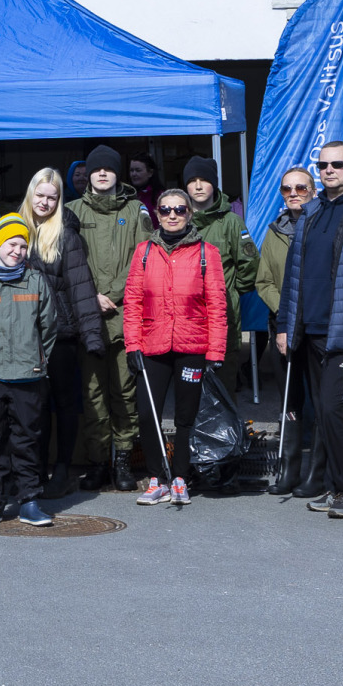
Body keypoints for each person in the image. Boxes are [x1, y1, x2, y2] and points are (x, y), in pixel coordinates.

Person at [275, 141, 343, 518]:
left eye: (337, 164)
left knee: (336, 412)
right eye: (323, 165)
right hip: (309, 328)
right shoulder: (312, 211)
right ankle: (335, 486)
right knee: (323, 412)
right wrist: (285, 325)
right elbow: (293, 276)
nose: (329, 170)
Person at [122, 188, 229, 507]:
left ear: (189, 214)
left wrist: (215, 351)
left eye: (179, 210)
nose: (172, 215)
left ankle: (181, 477)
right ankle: (157, 479)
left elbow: (217, 305)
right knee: (147, 414)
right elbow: (132, 302)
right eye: (166, 209)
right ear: (156, 213)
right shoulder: (143, 251)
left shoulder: (206, 252)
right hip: (152, 344)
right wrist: (132, 345)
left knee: (186, 415)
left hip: (192, 346)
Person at [0, 214, 57, 528]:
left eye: (22, 245)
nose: (17, 250)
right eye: (11, 244)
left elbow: (48, 327)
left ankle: (29, 500)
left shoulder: (35, 281)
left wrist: (38, 359)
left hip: (28, 375)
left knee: (27, 439)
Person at [65, 144, 149, 493]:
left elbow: (143, 258)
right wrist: (91, 295)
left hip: (126, 313)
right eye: (96, 169)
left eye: (109, 169)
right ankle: (99, 461)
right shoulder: (70, 211)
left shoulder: (135, 210)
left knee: (124, 391)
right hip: (87, 314)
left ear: (118, 174)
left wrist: (112, 294)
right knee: (93, 392)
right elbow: (66, 262)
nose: (101, 174)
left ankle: (124, 460)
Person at [19, 168, 105, 499]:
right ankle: (34, 469)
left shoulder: (66, 236)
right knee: (32, 406)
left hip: (61, 334)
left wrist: (92, 335)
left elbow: (81, 287)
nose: (44, 202)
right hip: (23, 335)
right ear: (30, 195)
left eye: (51, 197)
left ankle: (62, 470)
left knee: (66, 404)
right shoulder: (14, 229)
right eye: (39, 195)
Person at [181, 155, 259, 392]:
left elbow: (250, 264)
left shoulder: (231, 222)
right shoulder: (176, 219)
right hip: (186, 319)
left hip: (223, 316)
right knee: (190, 390)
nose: (197, 186)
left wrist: (231, 291)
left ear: (214, 184)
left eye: (204, 180)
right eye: (192, 180)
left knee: (223, 388)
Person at [258, 166, 314, 495]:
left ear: (312, 190)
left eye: (300, 188)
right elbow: (262, 280)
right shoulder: (274, 231)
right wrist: (285, 311)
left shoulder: (321, 223)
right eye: (287, 189)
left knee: (321, 403)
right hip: (281, 326)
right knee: (290, 401)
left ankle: (316, 472)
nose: (293, 194)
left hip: (317, 328)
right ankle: (290, 469)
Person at [127, 153, 162, 219]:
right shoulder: (126, 196)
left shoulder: (161, 197)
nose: (134, 174)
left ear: (150, 173)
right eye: (131, 170)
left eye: (138, 170)